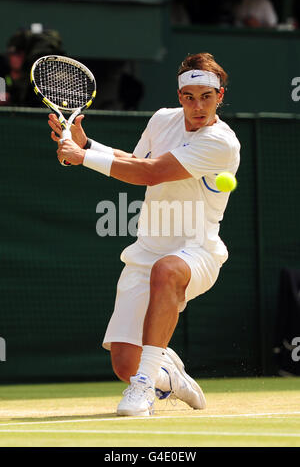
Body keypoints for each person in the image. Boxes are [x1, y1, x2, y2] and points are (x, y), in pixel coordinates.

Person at [48, 52, 240, 416]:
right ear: (179, 95)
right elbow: (135, 162)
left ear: (220, 96)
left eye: (206, 96)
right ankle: (169, 376)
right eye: (189, 96)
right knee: (123, 362)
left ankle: (144, 387)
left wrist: (81, 157)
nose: (197, 106)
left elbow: (151, 173)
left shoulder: (221, 142)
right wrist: (87, 146)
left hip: (196, 252)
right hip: (146, 250)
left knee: (166, 270)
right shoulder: (162, 120)